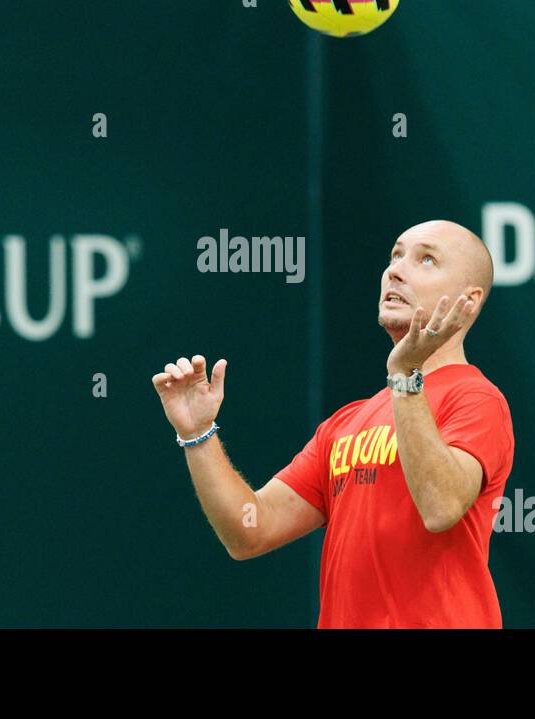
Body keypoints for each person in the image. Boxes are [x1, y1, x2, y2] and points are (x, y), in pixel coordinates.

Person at [151, 220, 515, 628]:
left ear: (468, 300)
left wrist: (405, 375)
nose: (396, 270)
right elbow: (249, 531)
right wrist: (197, 433)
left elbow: (440, 506)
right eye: (395, 255)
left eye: (426, 259)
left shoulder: (477, 399)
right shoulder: (346, 423)